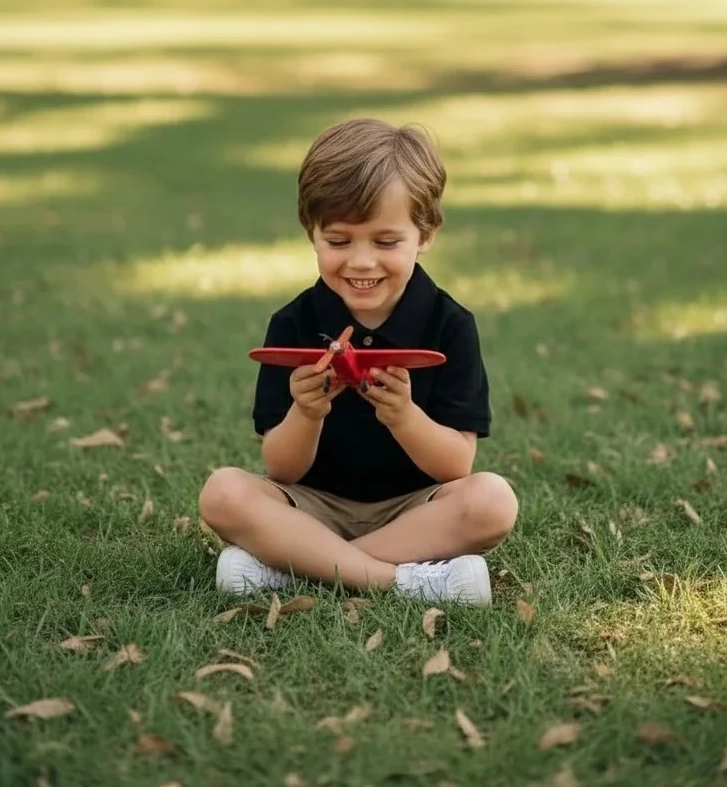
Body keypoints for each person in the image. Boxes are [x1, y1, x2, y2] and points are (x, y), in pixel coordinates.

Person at [199, 118, 518, 605]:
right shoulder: (293, 323)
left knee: (493, 501)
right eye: (339, 241)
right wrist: (306, 413)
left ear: (425, 233)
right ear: (313, 232)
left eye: (386, 242)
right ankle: (402, 582)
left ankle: (294, 568)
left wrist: (404, 417)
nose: (362, 262)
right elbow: (280, 469)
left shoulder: (450, 324)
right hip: (310, 506)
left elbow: (456, 466)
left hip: (414, 512)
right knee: (222, 492)